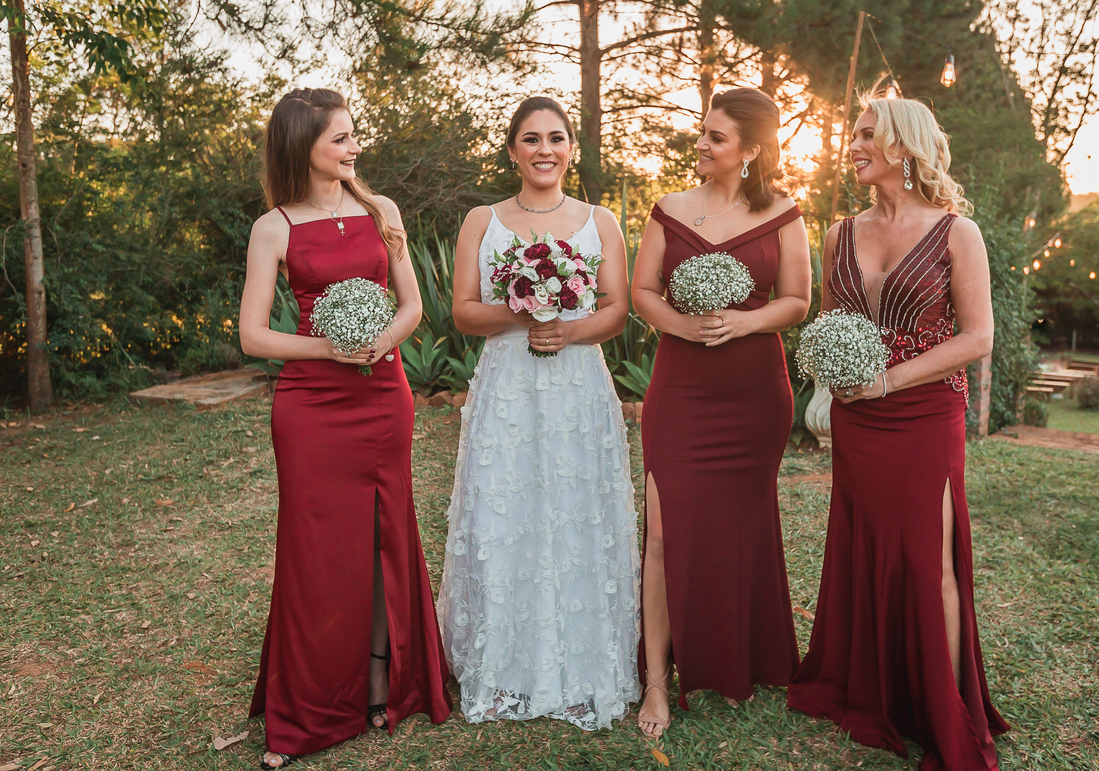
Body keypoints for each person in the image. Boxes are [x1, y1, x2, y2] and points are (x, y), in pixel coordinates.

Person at [787, 88, 1009, 771]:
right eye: (852, 135)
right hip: (858, 416)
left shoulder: (955, 232)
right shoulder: (838, 234)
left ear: (902, 145)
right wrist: (832, 387)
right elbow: (828, 330)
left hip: (922, 412)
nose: (851, 147)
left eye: (863, 135)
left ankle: (945, 707)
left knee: (924, 558)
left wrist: (887, 379)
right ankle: (869, 685)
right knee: (863, 544)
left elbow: (978, 338)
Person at [239, 88, 452, 769]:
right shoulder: (274, 226)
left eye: (354, 136)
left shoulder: (380, 211)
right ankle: (309, 709)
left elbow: (414, 303)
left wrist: (381, 341)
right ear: (304, 145)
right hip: (309, 407)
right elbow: (252, 336)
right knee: (315, 550)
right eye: (340, 138)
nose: (353, 148)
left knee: (385, 534)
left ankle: (386, 682)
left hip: (381, 395)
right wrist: (328, 349)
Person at [437, 96, 641, 730]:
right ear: (512, 150)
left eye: (556, 138)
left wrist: (570, 333)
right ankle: (503, 667)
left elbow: (616, 309)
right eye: (530, 139)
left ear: (571, 149)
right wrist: (522, 315)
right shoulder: (484, 220)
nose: (544, 149)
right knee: (507, 506)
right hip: (508, 387)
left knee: (578, 508)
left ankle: (583, 668)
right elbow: (464, 311)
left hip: (577, 385)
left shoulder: (598, 220)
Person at [630, 87, 812, 739]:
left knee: (740, 529)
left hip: (754, 395)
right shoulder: (668, 209)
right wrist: (680, 325)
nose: (701, 144)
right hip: (681, 391)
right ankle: (656, 679)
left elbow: (796, 299)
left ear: (752, 150)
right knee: (663, 531)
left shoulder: (785, 212)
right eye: (701, 132)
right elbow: (640, 291)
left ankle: (738, 661)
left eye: (715, 137)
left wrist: (745, 322)